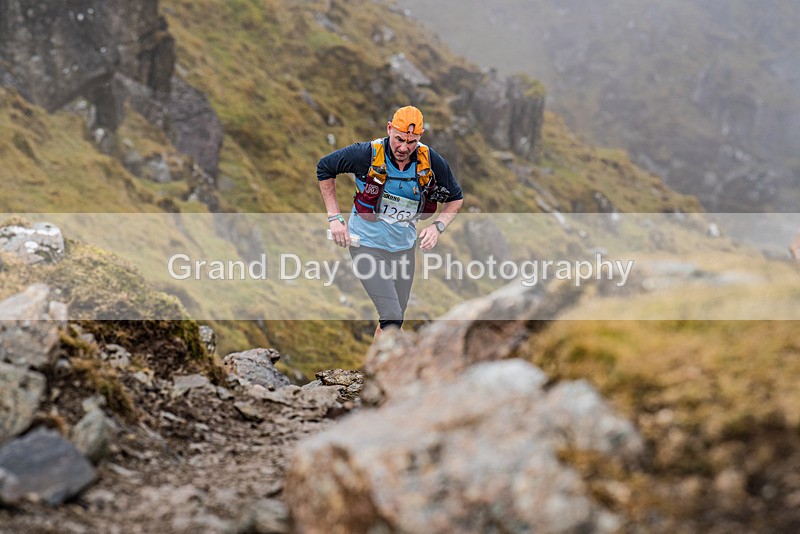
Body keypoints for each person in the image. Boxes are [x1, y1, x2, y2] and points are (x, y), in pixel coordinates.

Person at [317, 105, 463, 336]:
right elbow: (325, 167)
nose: (404, 147)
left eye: (411, 142)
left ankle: (376, 371)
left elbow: (456, 198)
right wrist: (335, 218)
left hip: (404, 248)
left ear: (420, 137)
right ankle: (385, 370)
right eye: (398, 139)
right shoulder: (365, 153)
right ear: (389, 129)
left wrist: (437, 227)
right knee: (392, 316)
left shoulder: (430, 160)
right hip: (366, 245)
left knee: (394, 321)